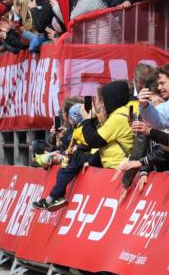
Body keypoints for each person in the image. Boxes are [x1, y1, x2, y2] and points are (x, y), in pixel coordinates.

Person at [33, 80, 136, 211]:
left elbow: (94, 140)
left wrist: (87, 120)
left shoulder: (118, 117)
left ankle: (53, 197)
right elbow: (104, 141)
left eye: (101, 100)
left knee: (73, 158)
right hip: (110, 158)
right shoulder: (121, 113)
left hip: (117, 163)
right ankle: (54, 196)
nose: (99, 105)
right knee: (69, 161)